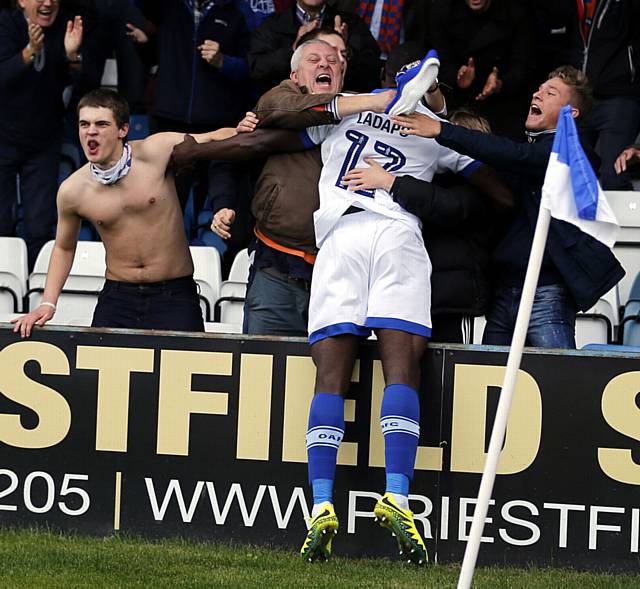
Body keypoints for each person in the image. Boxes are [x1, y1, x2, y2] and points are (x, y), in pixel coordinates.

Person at [390, 65, 625, 349]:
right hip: (504, 292)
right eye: (538, 89)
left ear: (570, 113)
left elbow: (513, 155)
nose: (537, 94)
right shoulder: (528, 152)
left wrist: (442, 130)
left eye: (550, 93)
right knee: (495, 383)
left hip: (545, 293)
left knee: (557, 385)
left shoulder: (572, 151)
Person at [11, 89, 235, 338]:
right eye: (84, 124)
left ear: (123, 130)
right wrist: (47, 303)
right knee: (100, 371)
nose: (91, 131)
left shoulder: (155, 151)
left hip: (174, 295)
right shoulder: (73, 190)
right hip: (118, 297)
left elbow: (215, 138)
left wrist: (244, 128)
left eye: (101, 124)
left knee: (186, 370)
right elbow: (64, 247)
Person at [342, 108, 498, 343]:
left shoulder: (478, 189)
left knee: (448, 374)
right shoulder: (426, 175)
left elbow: (448, 206)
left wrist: (390, 182)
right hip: (413, 299)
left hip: (452, 304)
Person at [0, 0, 84, 269]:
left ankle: (40, 293)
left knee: (40, 225)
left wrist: (72, 56)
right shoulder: (5, 23)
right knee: (1, 221)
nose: (48, 2)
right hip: (3, 138)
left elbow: (80, 83)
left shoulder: (66, 25)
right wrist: (29, 53)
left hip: (43, 139)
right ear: (21, 1)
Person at [429, 0, 534, 141]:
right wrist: (456, 77)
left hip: (504, 104)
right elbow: (437, 60)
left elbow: (523, 64)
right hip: (459, 102)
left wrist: (500, 84)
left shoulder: (515, 12)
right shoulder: (443, 11)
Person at [247, 0, 381, 93]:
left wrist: (345, 51)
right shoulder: (271, 25)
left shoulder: (350, 23)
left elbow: (373, 71)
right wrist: (294, 50)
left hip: (343, 112)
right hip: (289, 111)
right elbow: (256, 70)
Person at [577, 0, 640, 190]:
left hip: (620, 95)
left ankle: (625, 220)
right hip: (578, 96)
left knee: (614, 171)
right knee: (569, 174)